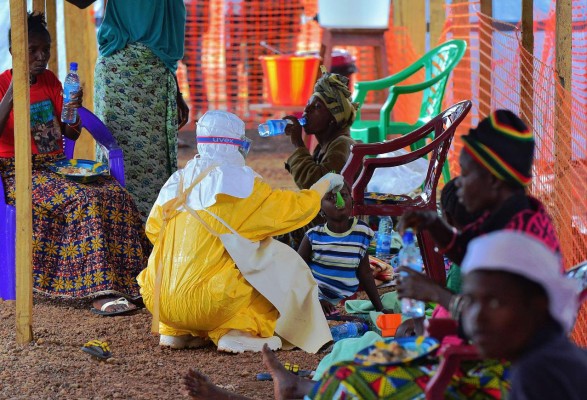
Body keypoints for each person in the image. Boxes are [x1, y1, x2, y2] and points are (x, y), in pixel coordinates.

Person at [183, 231, 587, 400]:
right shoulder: (523, 335)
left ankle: (299, 391)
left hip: (465, 380)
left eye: (492, 303)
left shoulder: (542, 367)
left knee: (358, 378)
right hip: (467, 367)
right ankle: (302, 390)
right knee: (357, 365)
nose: (475, 311)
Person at [137, 110, 343, 353]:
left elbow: (153, 231)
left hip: (160, 302)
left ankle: (178, 332)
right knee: (268, 265)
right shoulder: (242, 185)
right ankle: (238, 332)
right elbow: (292, 210)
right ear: (236, 145)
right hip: (213, 301)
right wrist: (324, 184)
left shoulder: (178, 181)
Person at [0, 12, 149, 313]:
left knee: (113, 193)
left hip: (56, 166)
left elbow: (69, 132)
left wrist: (73, 107)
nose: (41, 57)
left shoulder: (51, 80)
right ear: (16, 50)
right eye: (33, 50)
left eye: (46, 50)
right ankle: (99, 291)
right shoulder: (2, 84)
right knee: (84, 200)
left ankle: (138, 282)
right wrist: (13, 92)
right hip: (18, 171)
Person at [396, 110, 562, 321]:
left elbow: (488, 319)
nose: (459, 184)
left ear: (493, 180)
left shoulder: (518, 239)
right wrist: (432, 223)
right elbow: (470, 253)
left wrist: (434, 292)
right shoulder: (512, 215)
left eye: (465, 174)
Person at [66, 0, 190, 222]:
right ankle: (131, 237)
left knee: (142, 165)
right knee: (122, 159)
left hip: (143, 75)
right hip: (133, 73)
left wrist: (174, 89)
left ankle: (140, 240)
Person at [298, 183, 388, 315]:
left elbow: (365, 273)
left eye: (344, 195)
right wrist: (316, 299)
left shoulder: (362, 232)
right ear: (320, 210)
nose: (338, 200)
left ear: (352, 202)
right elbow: (297, 272)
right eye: (330, 198)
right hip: (318, 295)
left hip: (346, 297)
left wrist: (380, 308)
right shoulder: (313, 236)